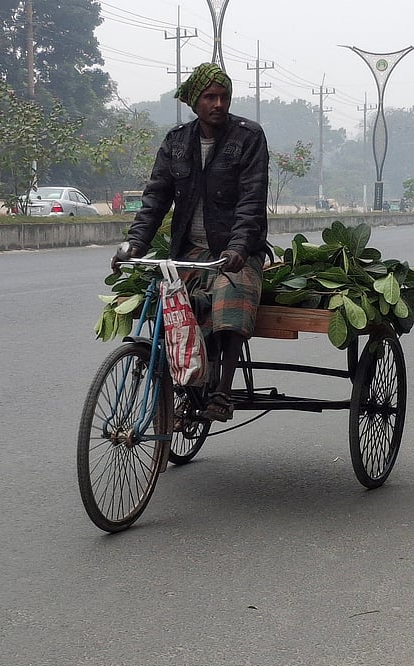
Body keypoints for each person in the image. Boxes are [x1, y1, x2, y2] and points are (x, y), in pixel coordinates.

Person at [111, 62, 270, 423]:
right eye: (210, 97)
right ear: (194, 101)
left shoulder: (248, 137)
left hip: (235, 252)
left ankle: (222, 391)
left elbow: (251, 200)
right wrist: (133, 245)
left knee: (230, 300)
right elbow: (155, 199)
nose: (218, 104)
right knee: (170, 306)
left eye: (223, 97)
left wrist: (238, 248)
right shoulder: (177, 142)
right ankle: (186, 381)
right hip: (190, 252)